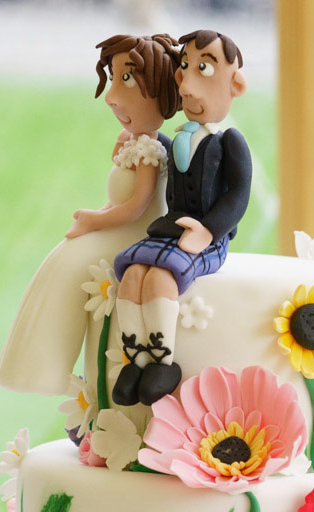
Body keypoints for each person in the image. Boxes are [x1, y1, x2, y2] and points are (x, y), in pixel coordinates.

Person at [0, 34, 181, 397]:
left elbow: (136, 208)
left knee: (71, 263)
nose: (111, 96)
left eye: (126, 80)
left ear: (158, 91)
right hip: (121, 226)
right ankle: (34, 372)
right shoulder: (134, 143)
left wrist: (94, 221)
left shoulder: (150, 152)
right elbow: (118, 202)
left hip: (138, 234)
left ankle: (46, 372)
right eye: (113, 79)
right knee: (63, 259)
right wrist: (98, 216)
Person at [110, 29, 250, 407]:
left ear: (235, 84)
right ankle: (135, 360)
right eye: (185, 67)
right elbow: (172, 159)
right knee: (132, 274)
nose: (186, 85)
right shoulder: (179, 138)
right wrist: (140, 139)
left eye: (204, 68)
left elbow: (238, 194)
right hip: (170, 229)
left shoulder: (229, 142)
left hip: (207, 238)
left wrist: (209, 230)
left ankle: (161, 362)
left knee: (160, 277)